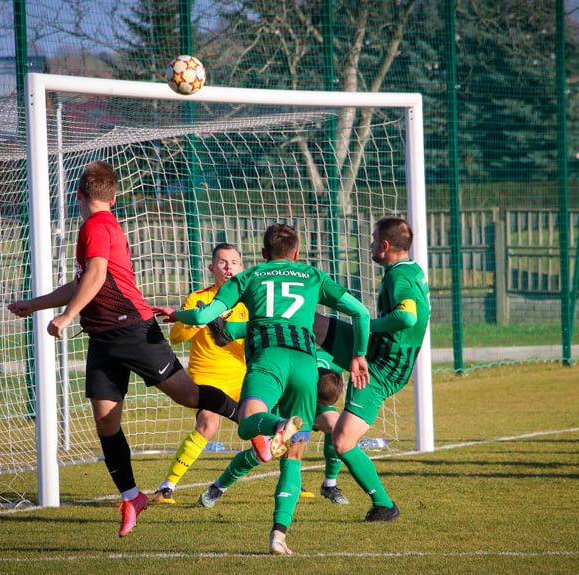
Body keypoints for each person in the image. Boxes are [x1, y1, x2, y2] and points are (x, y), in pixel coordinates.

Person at [7, 160, 240, 537]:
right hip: (102, 337)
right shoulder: (99, 225)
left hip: (132, 329)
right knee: (106, 421)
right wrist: (34, 305)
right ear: (114, 197)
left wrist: (66, 317)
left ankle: (253, 423)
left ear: (78, 194)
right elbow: (85, 279)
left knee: (190, 395)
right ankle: (133, 497)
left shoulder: (97, 225)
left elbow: (97, 275)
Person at [154, 223, 370, 555]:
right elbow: (360, 311)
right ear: (296, 254)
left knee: (249, 420)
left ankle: (275, 427)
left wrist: (177, 313)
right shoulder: (312, 274)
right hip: (303, 364)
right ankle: (279, 536)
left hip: (268, 359)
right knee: (292, 456)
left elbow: (206, 316)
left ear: (264, 254)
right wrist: (358, 355)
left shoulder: (251, 276)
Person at [313, 216, 430, 522]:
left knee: (342, 442)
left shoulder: (397, 277)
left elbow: (407, 318)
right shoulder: (409, 269)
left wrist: (369, 325)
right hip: (377, 352)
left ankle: (384, 505)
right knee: (311, 322)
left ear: (386, 245)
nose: (370, 245)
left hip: (381, 367)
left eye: (374, 239)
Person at [150, 243, 270, 504]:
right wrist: (200, 319)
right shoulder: (198, 299)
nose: (229, 268)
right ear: (211, 268)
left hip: (241, 379)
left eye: (234, 263)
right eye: (223, 263)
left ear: (243, 267)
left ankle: (287, 483)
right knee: (208, 424)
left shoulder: (250, 301)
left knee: (270, 429)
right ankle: (167, 487)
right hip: (206, 377)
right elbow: (176, 335)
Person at [197, 366, 347, 508]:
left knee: (336, 426)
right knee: (262, 453)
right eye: (318, 401)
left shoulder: (325, 370)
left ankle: (329, 485)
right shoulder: (295, 376)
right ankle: (217, 488)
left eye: (320, 403)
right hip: (273, 413)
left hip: (296, 414)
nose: (317, 404)